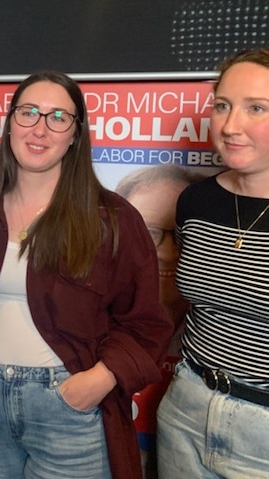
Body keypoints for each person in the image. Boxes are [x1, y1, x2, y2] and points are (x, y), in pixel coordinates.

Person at [0, 70, 172, 479]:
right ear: (10, 123)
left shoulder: (113, 220)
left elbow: (146, 323)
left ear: (75, 134)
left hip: (68, 408)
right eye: (28, 112)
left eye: (58, 117)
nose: (39, 128)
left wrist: (99, 380)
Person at [157, 47, 269, 478]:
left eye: (255, 108)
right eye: (222, 105)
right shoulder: (197, 200)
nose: (230, 125)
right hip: (187, 406)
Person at [116, 165, 203, 479]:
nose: (166, 253)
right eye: (148, 233)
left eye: (183, 237)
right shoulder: (82, 328)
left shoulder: (226, 344)